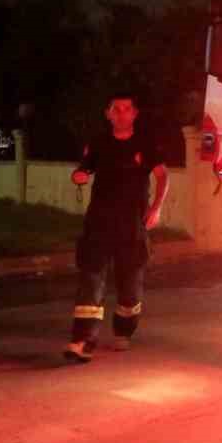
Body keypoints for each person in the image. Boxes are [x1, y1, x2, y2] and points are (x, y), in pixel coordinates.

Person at [63, 90, 169, 364]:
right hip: (99, 222)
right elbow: (85, 167)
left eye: (126, 109)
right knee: (91, 279)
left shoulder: (146, 143)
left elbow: (162, 175)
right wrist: (80, 175)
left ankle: (124, 328)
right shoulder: (98, 142)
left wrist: (156, 208)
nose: (121, 113)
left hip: (132, 225)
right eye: (116, 109)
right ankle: (82, 341)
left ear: (134, 114)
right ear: (108, 114)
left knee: (130, 290)